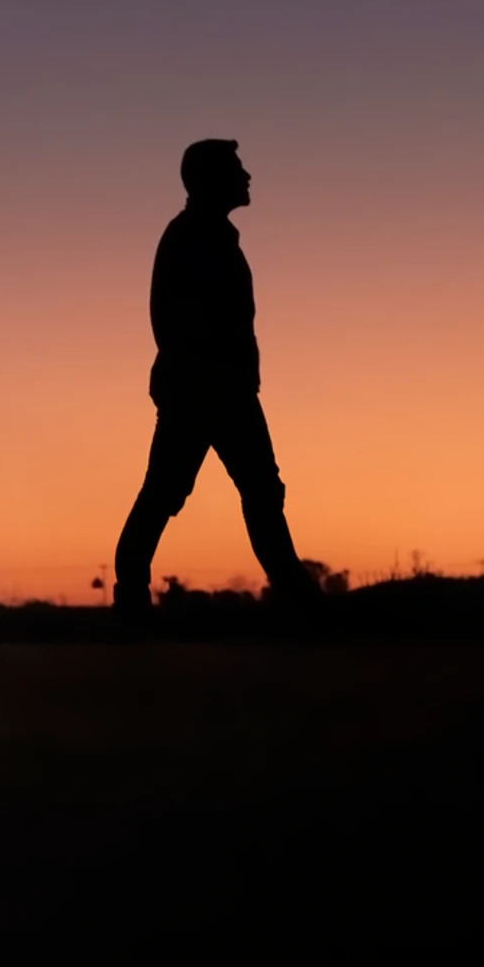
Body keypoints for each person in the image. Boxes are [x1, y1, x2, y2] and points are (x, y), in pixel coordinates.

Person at [112, 139, 314, 613]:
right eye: (237, 169)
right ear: (210, 179)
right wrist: (209, 375)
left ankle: (297, 597)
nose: (247, 177)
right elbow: (178, 319)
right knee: (174, 492)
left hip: (220, 387)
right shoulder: (192, 236)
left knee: (255, 490)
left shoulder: (209, 234)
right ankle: (132, 600)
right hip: (206, 389)